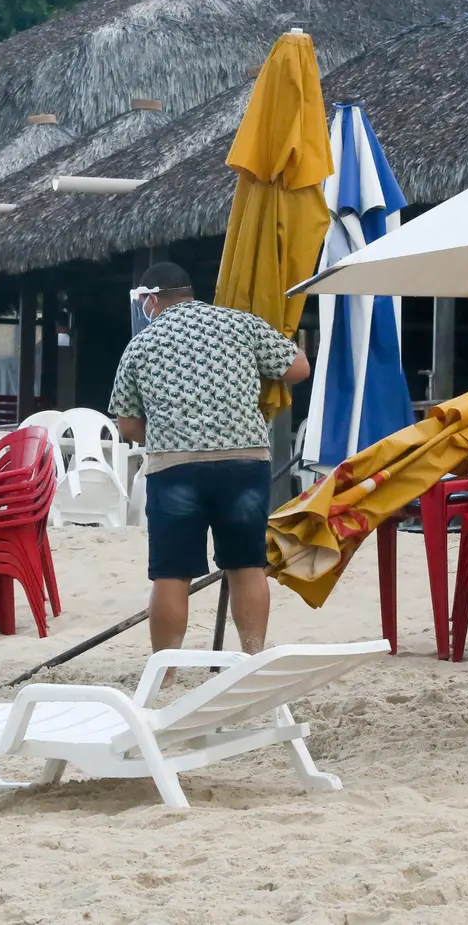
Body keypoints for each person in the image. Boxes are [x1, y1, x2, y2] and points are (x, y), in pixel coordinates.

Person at [108, 262, 311, 658]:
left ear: (151, 300)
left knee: (171, 574)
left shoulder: (142, 344)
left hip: (175, 466)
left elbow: (128, 425)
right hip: (244, 462)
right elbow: (298, 368)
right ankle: (252, 657)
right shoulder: (241, 323)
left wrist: (174, 432)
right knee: (247, 566)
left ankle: (165, 672)